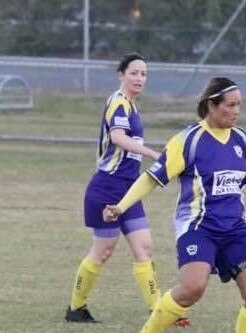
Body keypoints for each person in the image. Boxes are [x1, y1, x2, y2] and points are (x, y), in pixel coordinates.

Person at [102, 77, 246, 333]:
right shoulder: (188, 141)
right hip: (198, 227)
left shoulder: (243, 140)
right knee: (193, 287)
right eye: (231, 105)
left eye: (239, 105)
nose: (236, 111)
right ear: (212, 105)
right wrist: (121, 206)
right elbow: (151, 178)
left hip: (236, 228)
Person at [65, 53, 189, 327]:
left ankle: (158, 310)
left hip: (129, 190)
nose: (139, 78)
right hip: (107, 187)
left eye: (144, 74)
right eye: (134, 73)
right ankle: (75, 308)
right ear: (121, 74)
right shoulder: (118, 103)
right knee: (103, 250)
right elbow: (118, 138)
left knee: (143, 247)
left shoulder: (132, 106)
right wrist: (154, 154)